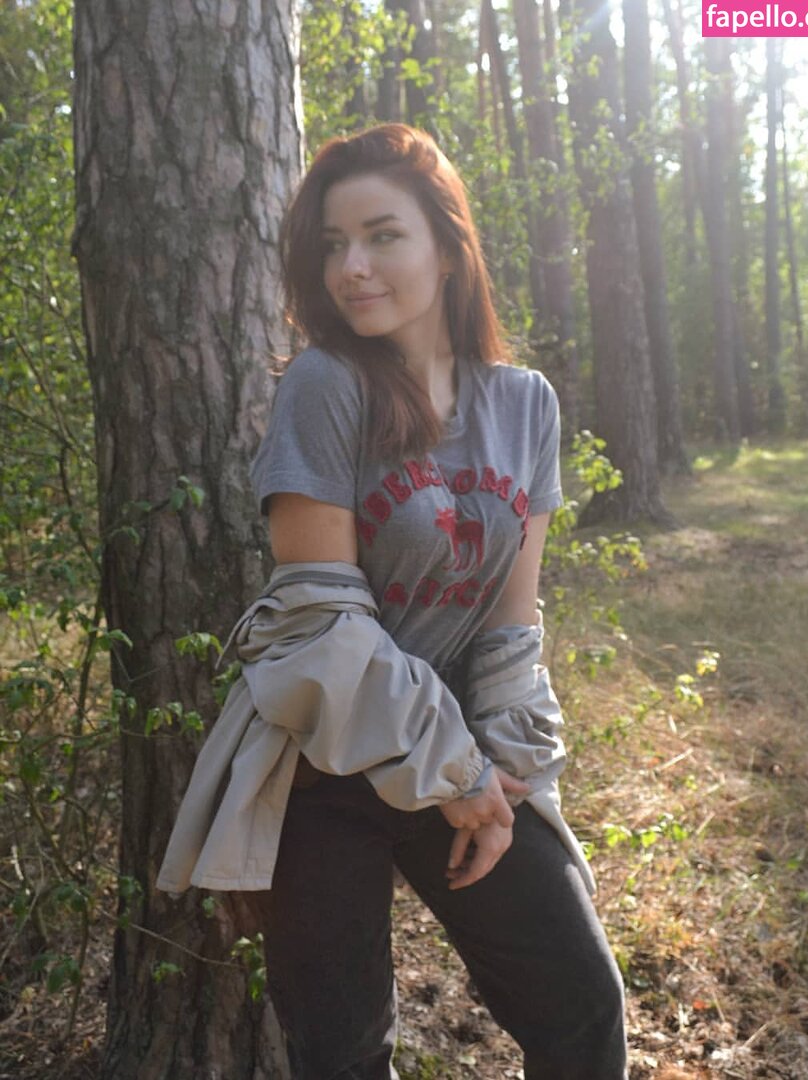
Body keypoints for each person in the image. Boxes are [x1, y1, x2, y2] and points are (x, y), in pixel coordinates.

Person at [157, 123, 626, 1079]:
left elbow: (510, 623)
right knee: (343, 1055)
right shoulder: (325, 385)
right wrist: (461, 777)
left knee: (583, 1009)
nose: (352, 268)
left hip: (463, 755)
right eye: (333, 245)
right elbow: (320, 626)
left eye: (382, 236)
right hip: (322, 765)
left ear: (448, 247)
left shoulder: (525, 404)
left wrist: (508, 775)